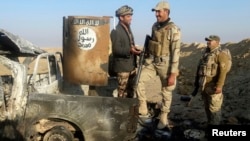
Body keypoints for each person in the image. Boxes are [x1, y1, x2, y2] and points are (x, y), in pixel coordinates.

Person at [135, 1, 181, 130]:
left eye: (158, 11)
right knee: (138, 81)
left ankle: (163, 117)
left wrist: (173, 73)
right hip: (152, 62)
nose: (156, 14)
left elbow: (176, 52)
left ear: (166, 11)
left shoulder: (173, 29)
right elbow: (152, 44)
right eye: (155, 12)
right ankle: (143, 110)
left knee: (166, 92)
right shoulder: (155, 26)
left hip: (166, 64)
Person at [194, 35, 230, 125]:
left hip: (213, 86)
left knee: (214, 109)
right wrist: (197, 84)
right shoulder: (206, 54)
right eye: (208, 41)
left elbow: (223, 72)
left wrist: (219, 86)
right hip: (204, 86)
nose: (208, 42)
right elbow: (199, 70)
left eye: (211, 41)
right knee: (207, 107)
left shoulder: (221, 55)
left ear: (217, 42)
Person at [110, 5, 141, 98]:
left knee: (131, 91)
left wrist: (134, 49)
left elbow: (128, 44)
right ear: (121, 17)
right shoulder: (116, 31)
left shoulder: (127, 28)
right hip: (122, 68)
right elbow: (116, 50)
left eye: (131, 15)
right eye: (128, 16)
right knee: (122, 94)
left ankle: (129, 111)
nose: (130, 18)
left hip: (131, 67)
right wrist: (130, 50)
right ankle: (120, 111)